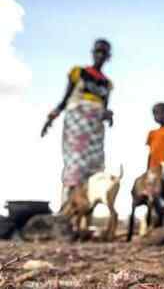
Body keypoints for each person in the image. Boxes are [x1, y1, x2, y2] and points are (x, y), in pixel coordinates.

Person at [42, 39, 114, 205]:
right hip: (77, 123)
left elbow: (104, 107)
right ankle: (67, 206)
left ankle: (83, 211)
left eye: (104, 53)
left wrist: (108, 115)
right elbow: (65, 98)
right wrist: (51, 118)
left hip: (96, 128)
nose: (100, 55)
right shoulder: (79, 72)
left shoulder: (107, 84)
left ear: (108, 57)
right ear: (93, 52)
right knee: (75, 162)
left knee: (94, 167)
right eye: (98, 51)